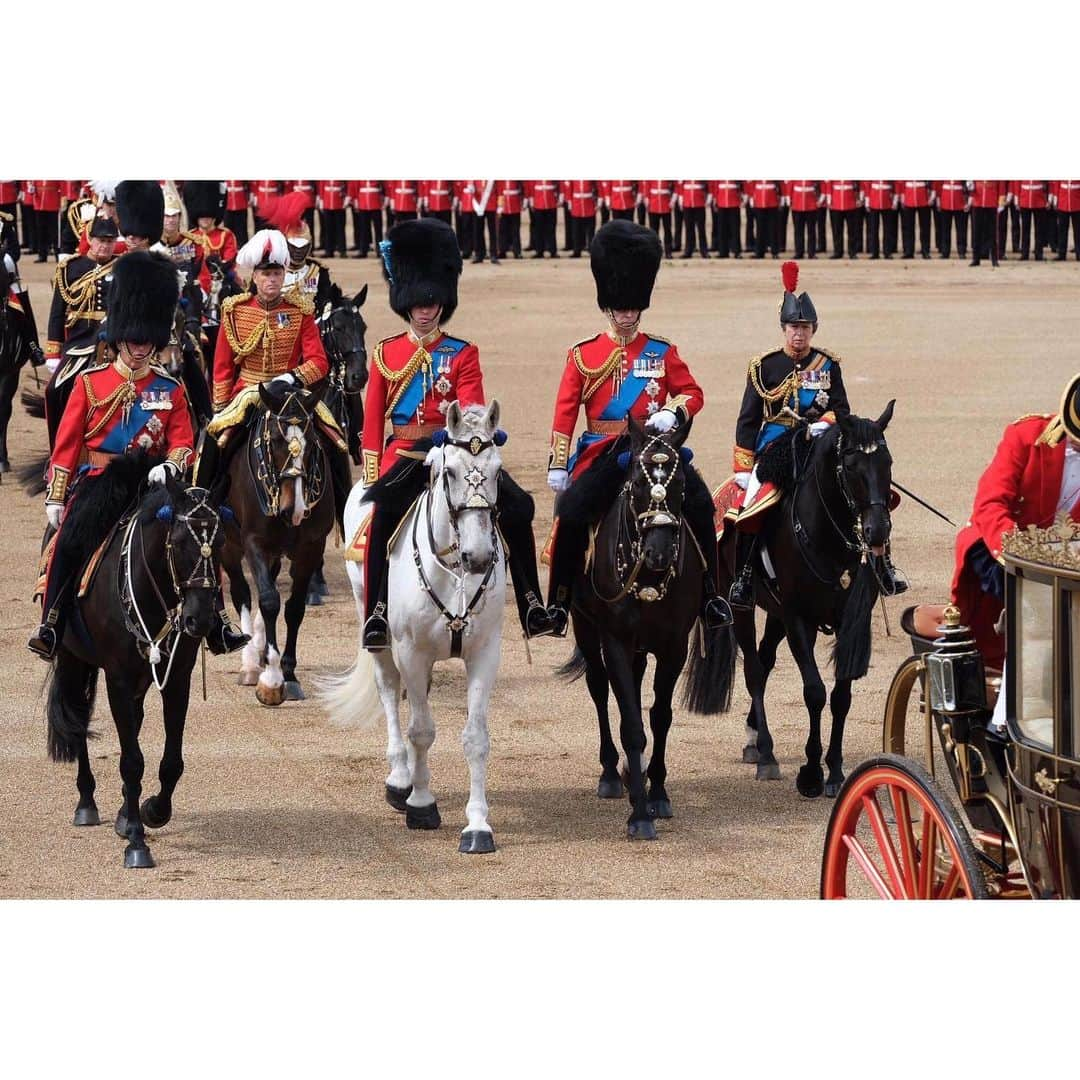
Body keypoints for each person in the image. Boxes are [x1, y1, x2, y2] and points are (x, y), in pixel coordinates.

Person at [27, 250, 247, 660]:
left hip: (155, 486)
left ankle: (217, 621)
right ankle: (51, 621)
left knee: (199, 531)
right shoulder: (91, 384)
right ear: (120, 338)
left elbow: (183, 441)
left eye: (147, 341)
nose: (141, 348)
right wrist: (57, 496)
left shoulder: (170, 388)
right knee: (68, 540)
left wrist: (171, 464)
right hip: (99, 483)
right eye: (134, 341)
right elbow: (67, 444)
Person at [358, 217, 554, 649]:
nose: (425, 310)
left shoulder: (462, 353)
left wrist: (457, 442)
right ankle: (377, 613)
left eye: (432, 302)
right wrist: (374, 471)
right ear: (405, 301)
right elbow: (373, 421)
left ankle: (531, 605)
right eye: (418, 302)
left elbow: (472, 408)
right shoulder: (386, 352)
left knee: (518, 507)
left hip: (455, 453)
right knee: (381, 520)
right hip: (406, 454)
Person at [544, 220, 731, 636]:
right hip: (602, 451)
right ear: (607, 306)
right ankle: (558, 603)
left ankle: (711, 597)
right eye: (621, 308)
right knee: (571, 512)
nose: (628, 315)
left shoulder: (662, 352)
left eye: (633, 308)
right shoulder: (583, 355)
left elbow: (693, 392)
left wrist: (674, 413)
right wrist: (559, 464)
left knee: (701, 506)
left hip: (655, 451)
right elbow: (564, 412)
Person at [726, 261, 898, 609]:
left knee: (865, 491)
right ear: (783, 328)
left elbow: (842, 408)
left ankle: (883, 565)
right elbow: (748, 420)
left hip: (820, 444)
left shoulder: (827, 364)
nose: (799, 334)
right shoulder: (764, 366)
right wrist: (744, 470)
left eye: (805, 327)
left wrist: (825, 423)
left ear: (814, 329)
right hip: (775, 448)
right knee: (752, 506)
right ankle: (744, 576)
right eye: (793, 327)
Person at [952, 373, 1080, 672]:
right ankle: (1010, 706)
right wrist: (1021, 553)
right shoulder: (1025, 435)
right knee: (1036, 618)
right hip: (999, 547)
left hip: (1067, 560)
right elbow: (990, 504)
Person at [42, 213, 119, 442]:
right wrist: (53, 352)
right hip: (79, 343)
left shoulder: (122, 266)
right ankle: (57, 449)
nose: (105, 246)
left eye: (110, 241)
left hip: (114, 342)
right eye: (101, 240)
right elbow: (57, 311)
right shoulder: (70, 268)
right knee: (54, 391)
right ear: (90, 239)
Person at [260, 191, 332, 313]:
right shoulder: (269, 268)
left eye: (302, 247)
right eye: (294, 247)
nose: (298, 252)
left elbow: (326, 302)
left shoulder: (318, 271)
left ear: (309, 247)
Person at [899, 181, 933, 259]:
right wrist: (902, 195)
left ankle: (925, 251)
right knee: (908, 228)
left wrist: (932, 195)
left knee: (925, 227)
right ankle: (909, 251)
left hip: (923, 196)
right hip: (909, 195)